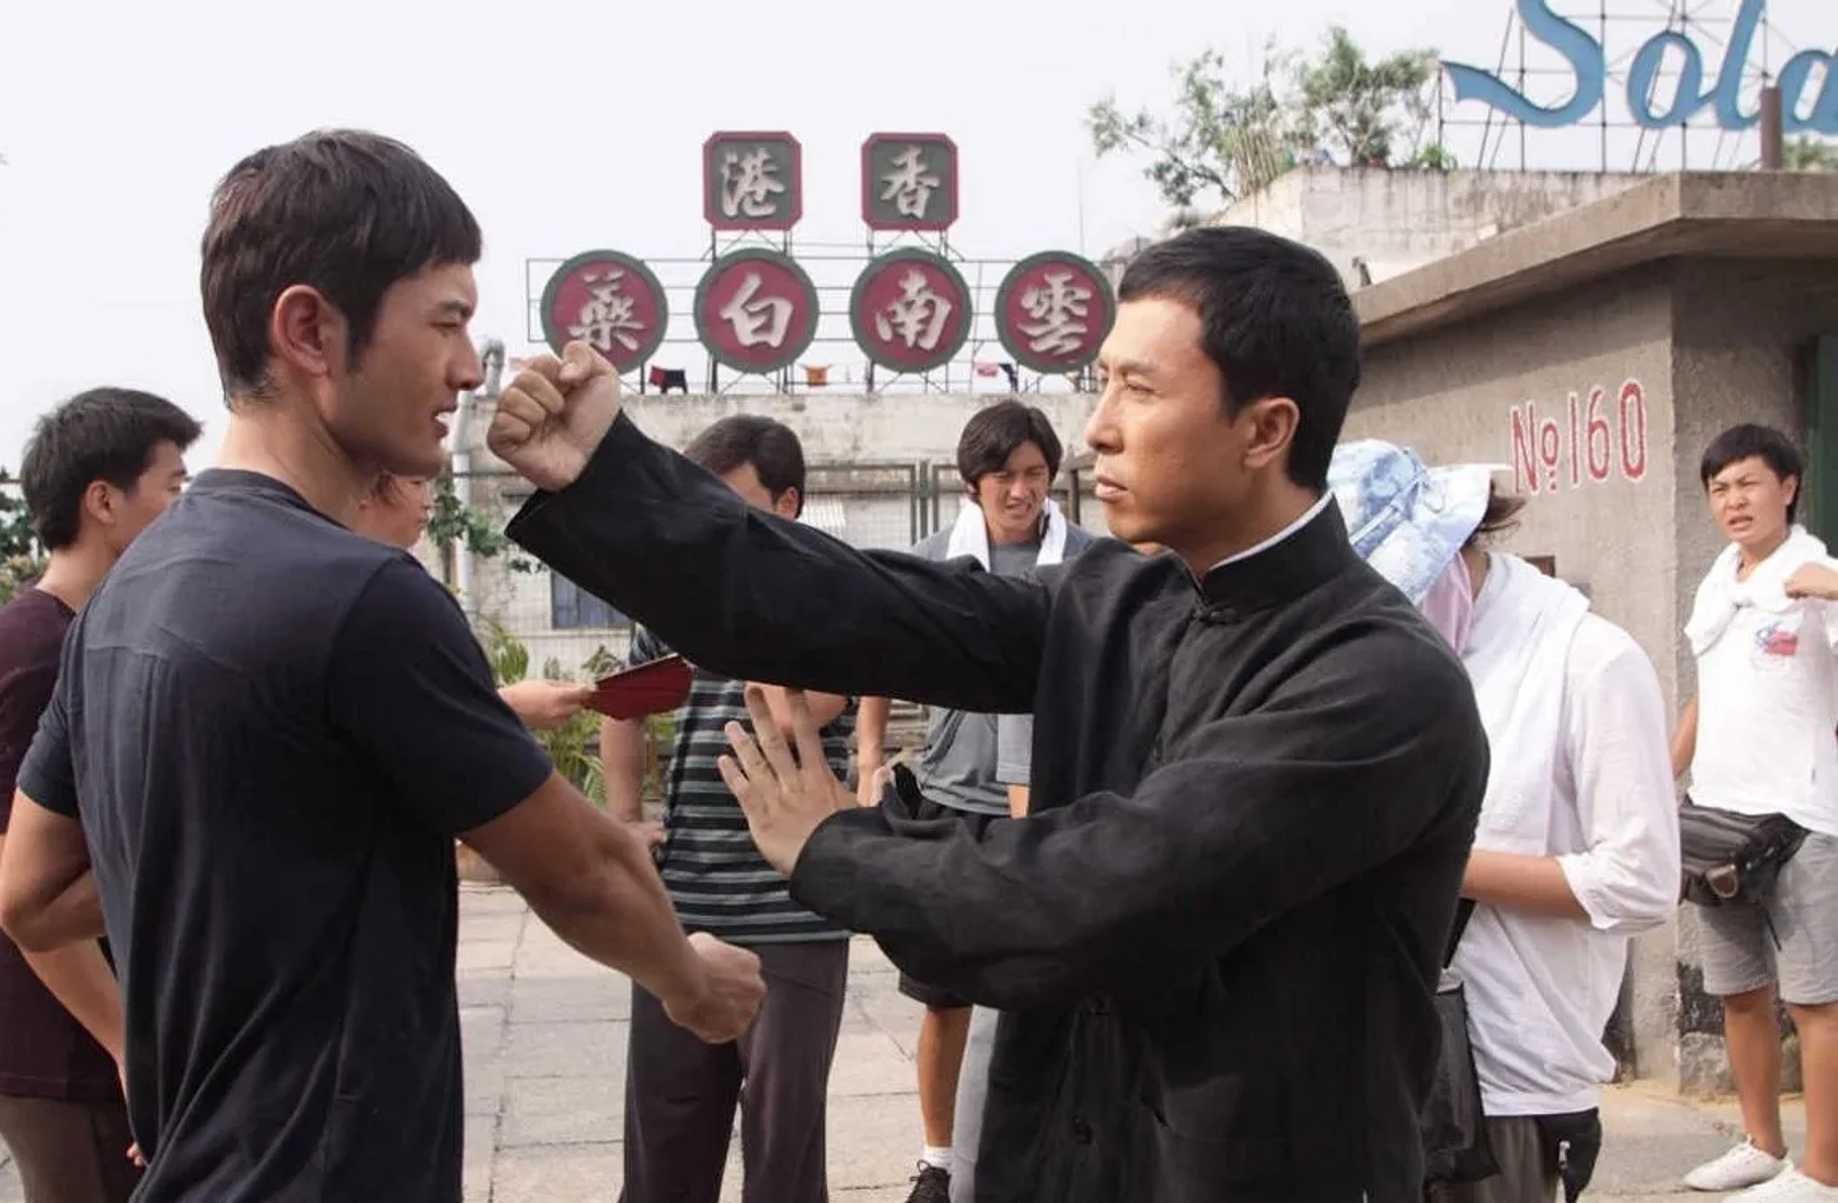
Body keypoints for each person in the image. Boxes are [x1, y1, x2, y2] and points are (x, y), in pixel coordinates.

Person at [491, 225, 1493, 1201]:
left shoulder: (1377, 683)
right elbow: (855, 602)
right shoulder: (1119, 602)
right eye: (1102, 381)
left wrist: (839, 847)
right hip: (1061, 1158)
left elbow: (1109, 888)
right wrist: (609, 475)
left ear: (1265, 429)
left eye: (1139, 389)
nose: (1096, 426)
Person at [0, 129, 764, 1203]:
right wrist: (689, 980)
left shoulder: (129, 590)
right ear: (310, 329)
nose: (465, 365)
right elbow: (580, 869)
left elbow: (28, 896)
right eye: (444, 320)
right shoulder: (357, 595)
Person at [1328, 440, 1681, 1203]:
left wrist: (1434, 861)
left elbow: (1644, 880)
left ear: (1457, 549)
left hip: (1507, 1085)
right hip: (1376, 1053)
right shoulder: (1385, 661)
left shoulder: (1587, 660)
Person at [0, 388, 200, 1203]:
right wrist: (128, 1045)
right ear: (104, 501)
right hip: (59, 1046)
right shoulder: (35, 655)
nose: (184, 507)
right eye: (172, 486)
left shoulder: (80, 634)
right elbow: (21, 888)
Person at [601, 415, 855, 1203]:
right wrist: (623, 819)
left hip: (794, 908)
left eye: (729, 503)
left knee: (781, 1144)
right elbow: (620, 704)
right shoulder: (674, 602)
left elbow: (803, 710)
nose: (706, 522)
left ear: (787, 504)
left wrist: (753, 606)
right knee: (666, 1134)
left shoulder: (834, 598)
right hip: (685, 908)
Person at [852, 399, 1094, 1203]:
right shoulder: (934, 559)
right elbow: (881, 655)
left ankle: (1046, 1140)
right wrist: (867, 756)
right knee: (945, 993)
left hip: (1053, 803)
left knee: (1045, 987)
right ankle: (939, 1151)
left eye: (1035, 474)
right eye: (1005, 476)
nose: (1022, 491)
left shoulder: (1089, 564)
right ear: (972, 483)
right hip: (954, 798)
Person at [1672, 424, 1838, 1202]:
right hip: (1717, 817)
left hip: (1802, 817)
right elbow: (1712, 690)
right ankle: (1762, 1144)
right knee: (1739, 992)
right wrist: (1661, 772)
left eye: (1748, 482)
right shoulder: (1720, 579)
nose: (1733, 501)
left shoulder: (1816, 571)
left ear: (1788, 485)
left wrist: (1829, 587)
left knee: (1816, 1000)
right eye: (1719, 488)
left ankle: (1824, 1169)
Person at [352, 470, 595, 729]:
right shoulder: (377, 591)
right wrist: (507, 705)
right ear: (366, 489)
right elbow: (388, 713)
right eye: (416, 483)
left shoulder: (371, 579)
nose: (428, 501)